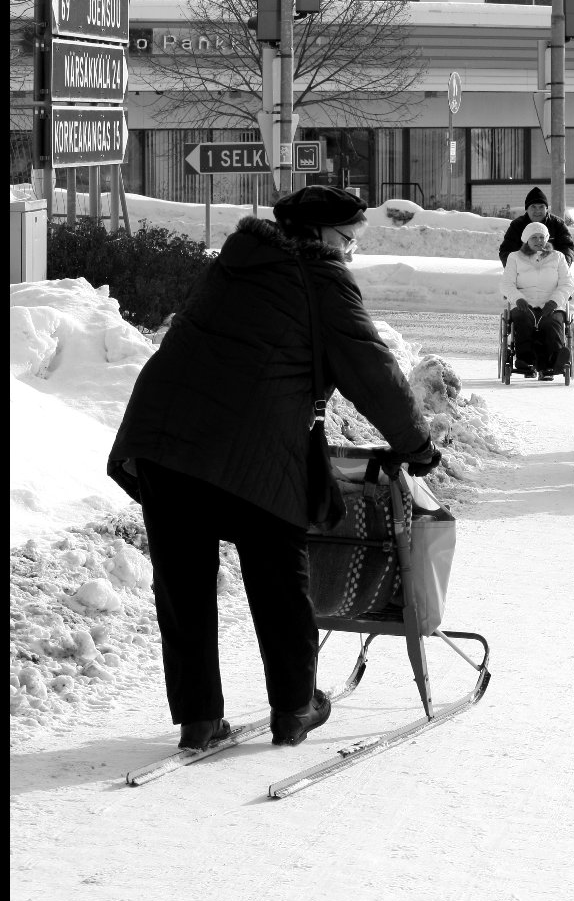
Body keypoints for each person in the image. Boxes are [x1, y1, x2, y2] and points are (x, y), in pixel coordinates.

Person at [107, 185, 441, 752]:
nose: (349, 252)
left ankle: (199, 720)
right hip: (253, 447)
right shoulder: (323, 280)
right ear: (315, 236)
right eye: (346, 240)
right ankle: (295, 707)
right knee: (281, 575)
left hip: (164, 437)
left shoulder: (233, 264)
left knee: (183, 584)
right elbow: (373, 372)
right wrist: (417, 446)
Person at [501, 220, 574, 380]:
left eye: (542, 237)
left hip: (551, 304)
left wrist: (554, 302)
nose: (538, 241)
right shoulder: (514, 258)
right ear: (526, 239)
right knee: (523, 319)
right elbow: (506, 285)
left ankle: (552, 363)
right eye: (534, 237)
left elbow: (567, 284)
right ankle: (525, 361)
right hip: (524, 303)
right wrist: (518, 299)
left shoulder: (558, 257)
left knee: (550, 322)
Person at [499, 187, 574, 268]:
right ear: (527, 209)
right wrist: (514, 269)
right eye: (533, 207)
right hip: (524, 273)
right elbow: (506, 250)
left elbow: (567, 247)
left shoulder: (557, 224)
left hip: (552, 272)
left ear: (546, 209)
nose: (537, 211)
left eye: (541, 207)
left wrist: (562, 267)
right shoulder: (517, 225)